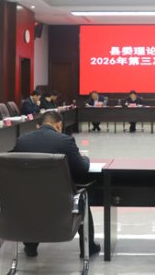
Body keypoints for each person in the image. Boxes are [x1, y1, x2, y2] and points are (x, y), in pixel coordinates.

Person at [11, 111, 100, 258]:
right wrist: (85, 159)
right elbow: (81, 169)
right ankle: (87, 247)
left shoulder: (22, 141)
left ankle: (30, 246)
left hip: (28, 198)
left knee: (32, 199)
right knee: (82, 198)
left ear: (39, 125)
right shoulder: (65, 141)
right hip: (61, 201)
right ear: (59, 125)